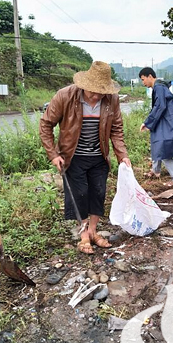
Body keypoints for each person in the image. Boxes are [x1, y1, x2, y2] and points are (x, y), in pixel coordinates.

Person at [40, 61, 131, 254]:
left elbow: (116, 129)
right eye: (92, 91)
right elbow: (46, 124)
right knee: (79, 194)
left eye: (101, 92)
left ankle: (93, 231)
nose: (96, 95)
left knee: (98, 193)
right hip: (73, 156)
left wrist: (122, 155)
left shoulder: (111, 100)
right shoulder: (65, 96)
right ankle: (83, 234)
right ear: (84, 84)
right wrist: (53, 154)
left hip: (99, 156)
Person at [138, 67, 173, 187]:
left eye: (143, 79)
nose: (143, 83)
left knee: (164, 149)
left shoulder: (159, 88)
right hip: (167, 121)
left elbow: (159, 106)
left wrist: (147, 122)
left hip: (168, 122)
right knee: (157, 143)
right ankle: (156, 171)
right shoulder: (160, 87)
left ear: (150, 76)